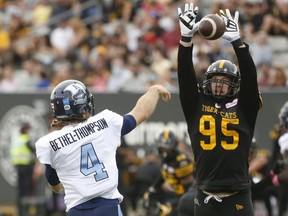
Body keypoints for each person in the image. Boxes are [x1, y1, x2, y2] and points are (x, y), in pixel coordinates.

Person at [35, 79, 171, 216]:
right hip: (107, 206)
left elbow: (53, 181)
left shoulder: (48, 142)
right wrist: (154, 91)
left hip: (76, 210)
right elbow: (141, 113)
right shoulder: (105, 121)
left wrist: (60, 186)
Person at [177, 3, 262, 216]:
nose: (218, 85)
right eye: (215, 80)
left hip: (239, 193)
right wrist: (186, 40)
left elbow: (251, 78)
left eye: (225, 81)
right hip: (205, 193)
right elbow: (185, 78)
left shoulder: (245, 107)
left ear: (234, 85)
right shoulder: (196, 105)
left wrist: (238, 43)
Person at [143, 129, 195, 216]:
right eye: (162, 147)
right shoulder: (167, 160)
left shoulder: (181, 161)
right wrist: (152, 189)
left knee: (164, 212)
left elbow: (189, 186)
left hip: (186, 198)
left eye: (167, 148)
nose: (164, 150)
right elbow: (163, 175)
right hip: (177, 195)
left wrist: (173, 204)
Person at [10, 122, 36, 216]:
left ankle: (20, 210)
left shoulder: (16, 139)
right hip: (26, 167)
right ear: (25, 129)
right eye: (28, 129)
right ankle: (25, 211)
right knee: (26, 189)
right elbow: (34, 151)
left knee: (20, 190)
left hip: (18, 167)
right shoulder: (26, 139)